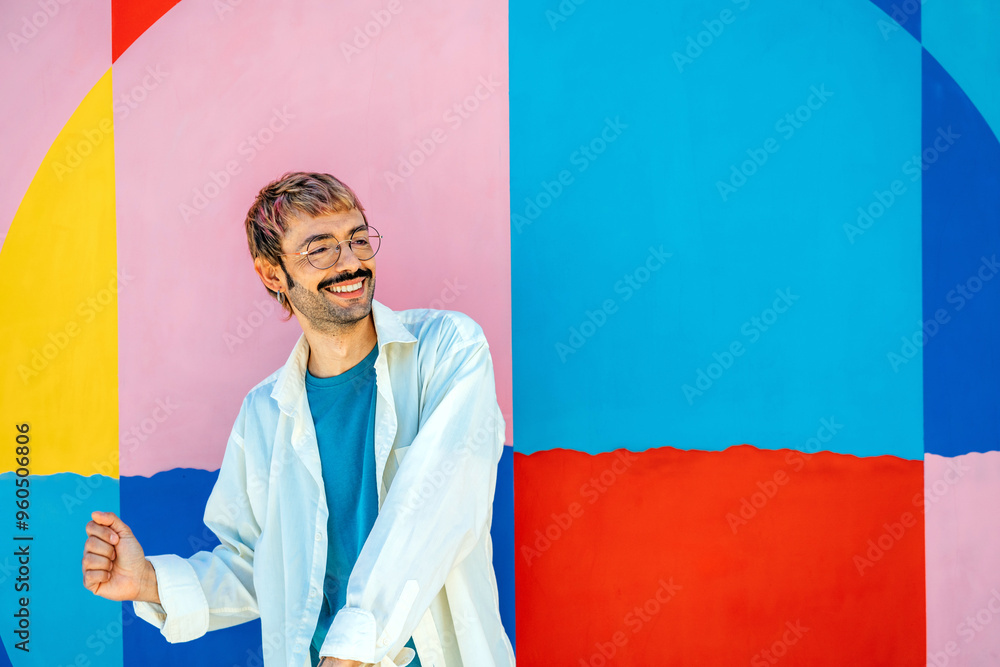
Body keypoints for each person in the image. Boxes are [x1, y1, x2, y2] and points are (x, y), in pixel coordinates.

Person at [81, 172, 516, 667]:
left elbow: (435, 509)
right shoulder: (263, 412)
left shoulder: (447, 350)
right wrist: (150, 582)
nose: (351, 261)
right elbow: (256, 564)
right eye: (320, 249)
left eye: (357, 238)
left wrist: (351, 654)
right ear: (272, 275)